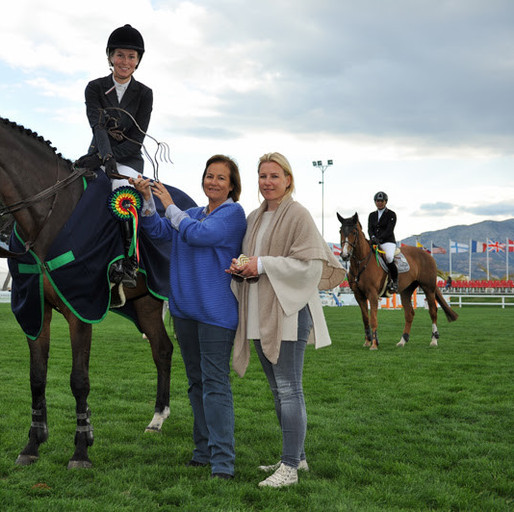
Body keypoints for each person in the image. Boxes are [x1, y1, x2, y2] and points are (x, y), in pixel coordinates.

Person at [228, 152, 345, 488]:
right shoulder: (254, 216)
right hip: (260, 311)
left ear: (289, 179)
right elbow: (254, 259)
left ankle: (290, 468)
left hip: (290, 313)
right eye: (263, 176)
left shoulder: (298, 215)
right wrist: (243, 266)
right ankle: (297, 457)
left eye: (274, 176)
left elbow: (310, 267)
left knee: (290, 390)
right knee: (279, 392)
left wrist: (261, 265)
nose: (268, 182)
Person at [131, 155, 247, 480]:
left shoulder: (232, 214)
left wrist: (169, 204)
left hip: (215, 314)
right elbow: (156, 230)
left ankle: (223, 462)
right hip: (185, 312)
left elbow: (198, 235)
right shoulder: (192, 213)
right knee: (196, 384)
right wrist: (147, 200)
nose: (213, 182)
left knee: (215, 384)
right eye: (209, 176)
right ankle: (202, 452)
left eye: (221, 178)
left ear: (232, 185)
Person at [76, 24, 153, 288]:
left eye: (131, 56)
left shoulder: (144, 94)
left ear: (138, 61)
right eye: (120, 55)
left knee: (123, 192)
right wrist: (103, 159)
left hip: (128, 160)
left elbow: (136, 140)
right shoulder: (94, 87)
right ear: (110, 56)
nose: (125, 61)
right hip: (98, 154)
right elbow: (97, 127)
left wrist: (111, 160)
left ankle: (128, 261)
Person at [368, 191, 398, 294]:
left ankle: (394, 281)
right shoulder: (372, 215)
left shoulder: (391, 214)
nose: (379, 203)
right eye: (377, 201)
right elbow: (370, 229)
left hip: (387, 242)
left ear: (385, 202)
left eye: (382, 201)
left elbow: (389, 229)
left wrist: (379, 239)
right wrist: (372, 237)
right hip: (374, 241)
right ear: (375, 202)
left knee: (389, 257)